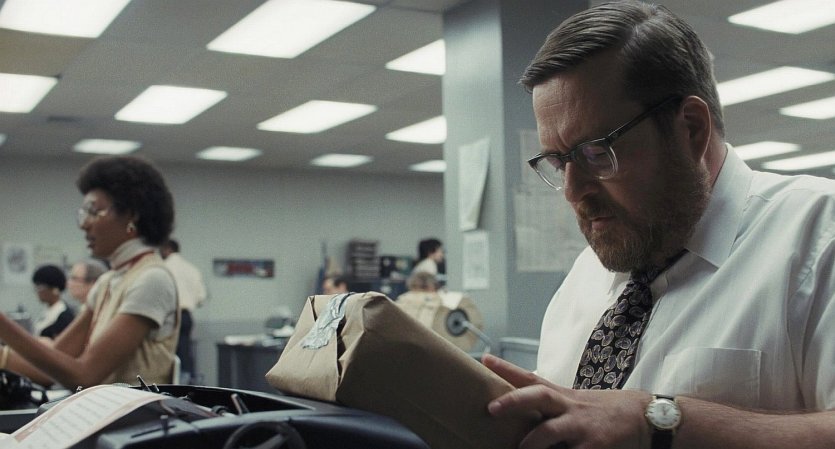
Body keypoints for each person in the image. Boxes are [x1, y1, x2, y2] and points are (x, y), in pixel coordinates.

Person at [482, 2, 835, 448]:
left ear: (690, 129)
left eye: (597, 154)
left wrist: (659, 421)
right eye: (558, 162)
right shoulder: (585, 277)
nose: (573, 191)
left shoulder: (819, 236)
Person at [0, 155, 179, 388]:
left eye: (93, 212)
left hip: (136, 412)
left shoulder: (152, 279)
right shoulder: (107, 281)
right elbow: (52, 364)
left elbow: (84, 375)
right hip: (103, 409)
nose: (84, 224)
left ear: (131, 215)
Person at [159, 238, 206, 382]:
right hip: (186, 316)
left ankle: (172, 383)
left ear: (167, 249)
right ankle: (186, 381)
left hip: (169, 315)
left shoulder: (163, 268)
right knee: (185, 350)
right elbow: (201, 297)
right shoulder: (192, 269)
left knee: (167, 351)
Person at [30, 264, 75, 339]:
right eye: (36, 287)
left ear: (55, 289)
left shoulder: (64, 316)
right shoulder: (47, 311)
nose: (37, 292)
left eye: (40, 287)